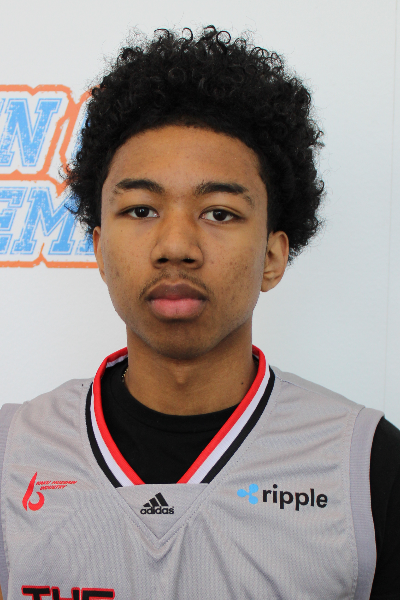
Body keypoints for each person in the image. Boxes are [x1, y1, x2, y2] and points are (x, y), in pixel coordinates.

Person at [0, 26, 398, 600]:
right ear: (100, 251)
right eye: (141, 209)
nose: (176, 246)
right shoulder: (13, 454)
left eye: (219, 213)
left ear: (271, 257)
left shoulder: (366, 466)